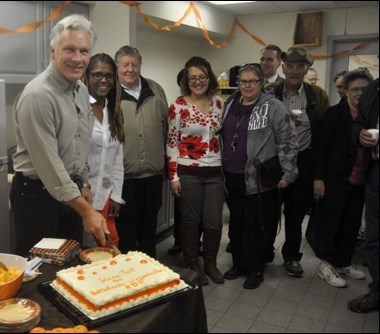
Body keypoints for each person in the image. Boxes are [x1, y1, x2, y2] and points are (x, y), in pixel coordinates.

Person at [10, 15, 108, 256]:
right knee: (38, 270)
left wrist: (83, 181)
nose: (78, 58)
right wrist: (87, 211)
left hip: (69, 192)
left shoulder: (81, 89)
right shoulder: (38, 96)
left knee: (69, 264)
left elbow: (81, 139)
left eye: (84, 51)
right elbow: (50, 166)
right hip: (37, 196)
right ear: (53, 51)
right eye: (70, 50)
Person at [221, 63, 298, 289]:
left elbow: (287, 141)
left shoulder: (273, 107)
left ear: (261, 83)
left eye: (252, 81)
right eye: (243, 81)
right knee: (237, 222)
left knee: (257, 224)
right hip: (232, 175)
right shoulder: (230, 104)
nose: (247, 85)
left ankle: (255, 268)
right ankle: (238, 263)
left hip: (260, 177)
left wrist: (289, 171)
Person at [266, 47, 330, 278]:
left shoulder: (317, 95)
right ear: (283, 67)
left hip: (304, 160)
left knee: (295, 213)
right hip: (274, 160)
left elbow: (323, 138)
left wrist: (319, 175)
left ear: (306, 69)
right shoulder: (271, 92)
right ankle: (265, 251)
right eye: (290, 65)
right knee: (269, 210)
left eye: (300, 66)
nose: (294, 70)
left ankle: (292, 256)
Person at [167, 56, 225, 285]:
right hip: (188, 171)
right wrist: (173, 177)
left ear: (209, 78)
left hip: (215, 173)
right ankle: (192, 263)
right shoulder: (178, 106)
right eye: (193, 78)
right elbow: (171, 143)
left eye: (202, 77)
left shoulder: (220, 104)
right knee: (190, 221)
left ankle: (210, 263)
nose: (198, 82)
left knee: (213, 221)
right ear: (186, 81)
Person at [313, 69, 373, 287]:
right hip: (335, 178)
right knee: (331, 221)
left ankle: (344, 261)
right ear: (345, 91)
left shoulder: (372, 114)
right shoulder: (333, 114)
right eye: (354, 89)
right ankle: (325, 264)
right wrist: (318, 178)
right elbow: (321, 149)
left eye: (364, 89)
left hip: (361, 179)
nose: (359, 93)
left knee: (352, 222)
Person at [114, 45, 168, 258]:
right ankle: (129, 275)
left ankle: (150, 269)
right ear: (117, 67)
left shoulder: (156, 90)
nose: (130, 69)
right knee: (126, 232)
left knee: (148, 230)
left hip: (153, 176)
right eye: (125, 65)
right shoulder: (111, 94)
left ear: (140, 65)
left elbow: (166, 127)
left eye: (134, 64)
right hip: (124, 179)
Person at [84, 53, 125, 247]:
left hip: (106, 194)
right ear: (87, 76)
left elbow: (117, 159)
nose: (103, 80)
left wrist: (116, 195)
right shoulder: (79, 109)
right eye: (97, 74)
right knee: (80, 251)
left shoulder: (114, 111)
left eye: (109, 76)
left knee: (110, 245)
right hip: (81, 196)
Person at [348, 77, 379, 313]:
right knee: (374, 237)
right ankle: (377, 291)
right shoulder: (374, 89)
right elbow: (358, 123)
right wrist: (360, 135)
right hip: (375, 172)